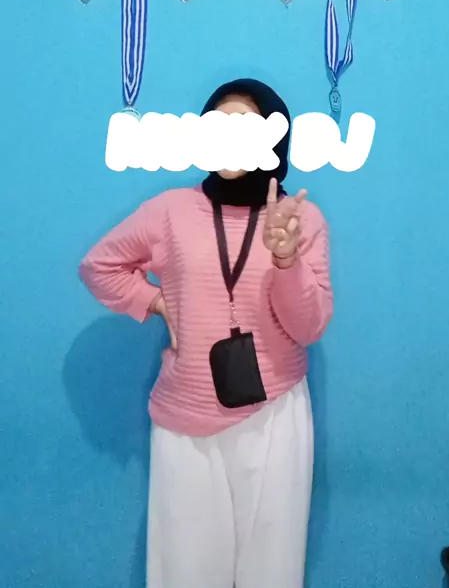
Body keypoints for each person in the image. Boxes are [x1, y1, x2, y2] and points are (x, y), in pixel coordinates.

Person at [79, 78, 333, 588]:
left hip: (274, 413)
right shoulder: (170, 210)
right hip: (185, 417)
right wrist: (154, 301)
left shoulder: (300, 218)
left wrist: (286, 259)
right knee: (185, 569)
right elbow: (99, 266)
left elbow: (309, 326)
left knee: (273, 569)